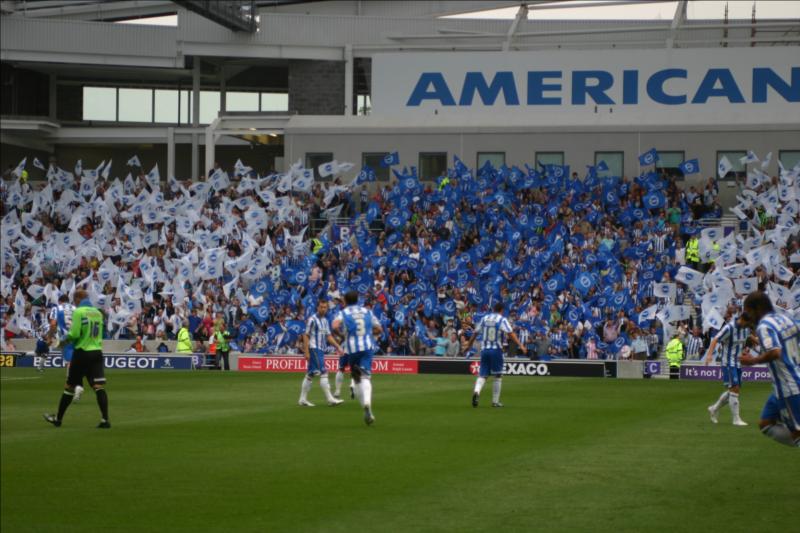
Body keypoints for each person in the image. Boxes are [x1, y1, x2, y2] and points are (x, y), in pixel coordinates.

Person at [738, 292, 800, 448]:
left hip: (789, 387)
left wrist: (752, 361)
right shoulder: (784, 319)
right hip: (785, 385)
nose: (748, 317)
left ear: (756, 309)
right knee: (765, 423)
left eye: (747, 312)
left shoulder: (764, 326)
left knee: (797, 433)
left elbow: (775, 352)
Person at [43, 290, 110, 429]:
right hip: (97, 352)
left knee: (69, 387)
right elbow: (102, 333)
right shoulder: (98, 313)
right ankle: (105, 420)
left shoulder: (78, 312)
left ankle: (58, 419)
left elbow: (74, 334)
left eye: (75, 301)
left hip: (82, 352)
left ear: (78, 299)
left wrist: (60, 343)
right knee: (98, 387)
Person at [331, 291, 382, 425]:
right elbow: (379, 329)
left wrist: (342, 334)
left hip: (352, 349)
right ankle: (367, 404)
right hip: (367, 347)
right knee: (365, 377)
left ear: (345, 301)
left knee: (357, 378)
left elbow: (334, 325)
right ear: (358, 300)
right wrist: (369, 333)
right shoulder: (367, 311)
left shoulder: (344, 312)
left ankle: (367, 409)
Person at [462, 302, 527, 408]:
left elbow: (475, 333)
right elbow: (511, 333)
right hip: (496, 350)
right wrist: (521, 345)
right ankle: (495, 401)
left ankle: (477, 391)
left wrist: (469, 344)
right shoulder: (502, 319)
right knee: (497, 376)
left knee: (483, 374)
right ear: (501, 310)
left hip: (485, 350)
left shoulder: (485, 318)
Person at [704, 312, 750, 426]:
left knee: (734, 390)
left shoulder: (745, 329)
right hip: (728, 363)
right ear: (742, 320)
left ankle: (714, 408)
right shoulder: (729, 328)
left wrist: (745, 350)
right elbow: (715, 339)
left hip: (738, 363)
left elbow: (745, 340)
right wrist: (709, 355)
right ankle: (736, 419)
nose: (748, 326)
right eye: (747, 323)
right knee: (734, 388)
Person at [299, 299, 344, 407]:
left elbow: (328, 336)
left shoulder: (325, 320)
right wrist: (306, 351)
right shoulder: (312, 319)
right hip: (314, 349)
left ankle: (302, 399)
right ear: (317, 307)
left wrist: (337, 346)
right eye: (321, 307)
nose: (323, 309)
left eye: (325, 307)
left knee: (310, 374)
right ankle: (330, 399)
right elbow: (306, 335)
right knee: (324, 372)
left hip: (320, 349)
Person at [49, 294, 83, 401]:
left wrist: (51, 336)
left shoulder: (56, 308)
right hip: (78, 337)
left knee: (69, 362)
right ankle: (77, 384)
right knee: (76, 362)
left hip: (66, 338)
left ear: (60, 301)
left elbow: (53, 324)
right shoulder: (76, 308)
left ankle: (73, 386)